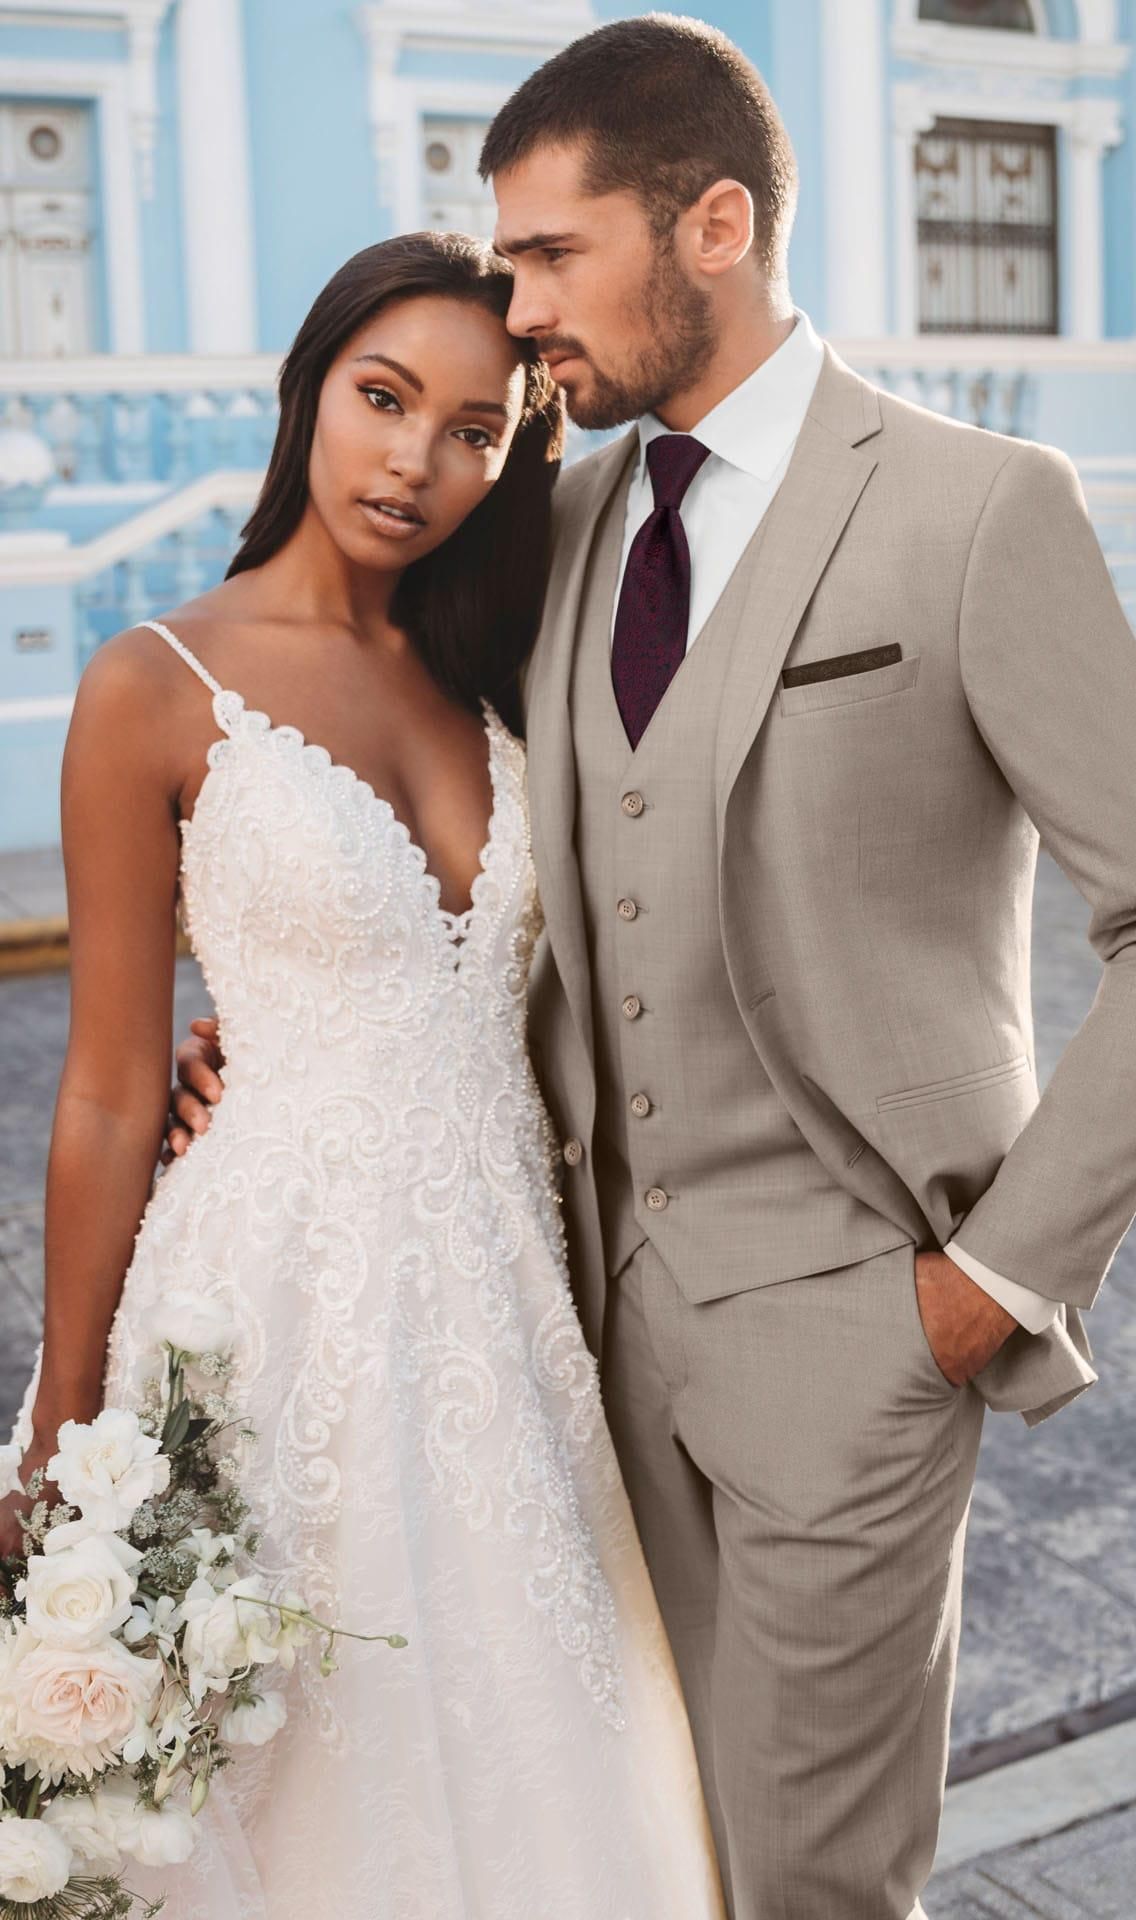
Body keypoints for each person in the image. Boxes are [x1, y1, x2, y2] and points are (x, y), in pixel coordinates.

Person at [169, 17, 1136, 1920]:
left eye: (547, 258)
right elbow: (483, 862)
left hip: (857, 1338)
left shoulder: (973, 511)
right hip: (579, 1350)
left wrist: (987, 1284)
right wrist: (284, 1025)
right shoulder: (568, 518)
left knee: (814, 1887)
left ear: (714, 226)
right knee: (650, 1862)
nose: (514, 317)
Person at [1, 231, 727, 1920]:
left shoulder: (502, 681)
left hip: (506, 1315)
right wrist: (57, 1423)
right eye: (382, 398)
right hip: (268, 1312)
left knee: (545, 1745)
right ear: (306, 391)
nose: (417, 460)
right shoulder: (149, 688)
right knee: (290, 1765)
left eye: (476, 429)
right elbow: (108, 1090)